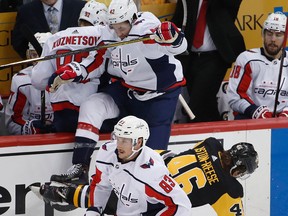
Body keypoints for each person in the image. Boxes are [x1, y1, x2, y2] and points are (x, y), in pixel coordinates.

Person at [46, 0, 187, 183]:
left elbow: (179, 47)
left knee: (153, 160)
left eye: (122, 28)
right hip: (126, 90)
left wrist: (173, 36)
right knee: (92, 105)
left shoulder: (148, 29)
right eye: (114, 27)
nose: (118, 34)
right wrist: (74, 71)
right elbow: (96, 60)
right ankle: (80, 168)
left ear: (133, 20)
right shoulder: (109, 32)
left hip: (159, 97)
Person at [36, 137, 259, 216]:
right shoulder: (231, 190)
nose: (240, 175)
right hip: (158, 200)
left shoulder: (210, 143)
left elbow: (180, 157)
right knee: (119, 205)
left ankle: (61, 192)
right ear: (238, 168)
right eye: (242, 170)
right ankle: (61, 193)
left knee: (112, 196)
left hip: (147, 170)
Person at [38, 115, 192, 215]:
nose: (119, 144)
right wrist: (94, 210)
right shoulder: (107, 152)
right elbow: (101, 185)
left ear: (138, 142)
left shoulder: (152, 172)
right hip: (124, 206)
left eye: (125, 140)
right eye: (118, 138)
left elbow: (182, 205)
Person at [31, 0, 108, 133]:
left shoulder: (55, 38)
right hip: (91, 110)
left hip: (61, 112)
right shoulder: (103, 35)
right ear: (102, 22)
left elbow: (38, 80)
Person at [171, 0, 246, 122]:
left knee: (195, 105)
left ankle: (193, 133)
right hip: (190, 57)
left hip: (215, 58)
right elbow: (179, 18)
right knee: (206, 104)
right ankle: (217, 134)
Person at [227, 12, 288, 119]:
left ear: (285, 38)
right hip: (251, 117)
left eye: (278, 35)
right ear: (263, 35)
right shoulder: (247, 59)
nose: (273, 39)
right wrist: (255, 111)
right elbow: (235, 96)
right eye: (269, 34)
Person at [5, 32, 54, 135]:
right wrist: (31, 128)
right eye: (34, 55)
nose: (39, 60)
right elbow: (12, 122)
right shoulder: (21, 81)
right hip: (32, 141)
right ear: (28, 55)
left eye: (44, 55)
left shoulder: (65, 77)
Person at [11, 0, 85, 59]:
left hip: (74, 68)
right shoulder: (25, 11)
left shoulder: (80, 7)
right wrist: (33, 58)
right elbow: (18, 42)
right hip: (39, 70)